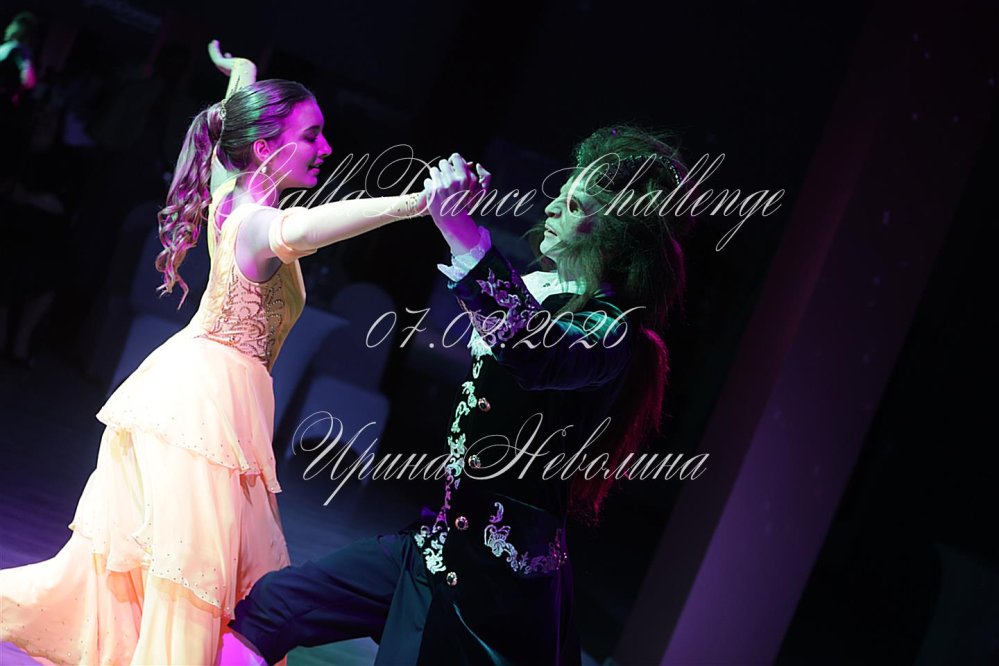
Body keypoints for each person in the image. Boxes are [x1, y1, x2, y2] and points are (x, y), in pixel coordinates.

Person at [0, 41, 429, 665]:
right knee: (194, 579)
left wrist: (242, 78)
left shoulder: (232, 189)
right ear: (265, 148)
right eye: (312, 136)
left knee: (181, 573)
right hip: (205, 408)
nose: (326, 148)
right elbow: (313, 227)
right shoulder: (254, 223)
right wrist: (417, 203)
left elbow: (235, 132)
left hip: (199, 393)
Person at [228, 126, 691, 664]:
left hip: (493, 594)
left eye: (574, 206)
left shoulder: (612, 331)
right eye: (562, 195)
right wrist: (453, 217)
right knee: (272, 610)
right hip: (436, 549)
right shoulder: (542, 294)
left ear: (610, 239)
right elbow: (517, 322)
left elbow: (532, 349)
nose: (552, 208)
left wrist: (462, 231)